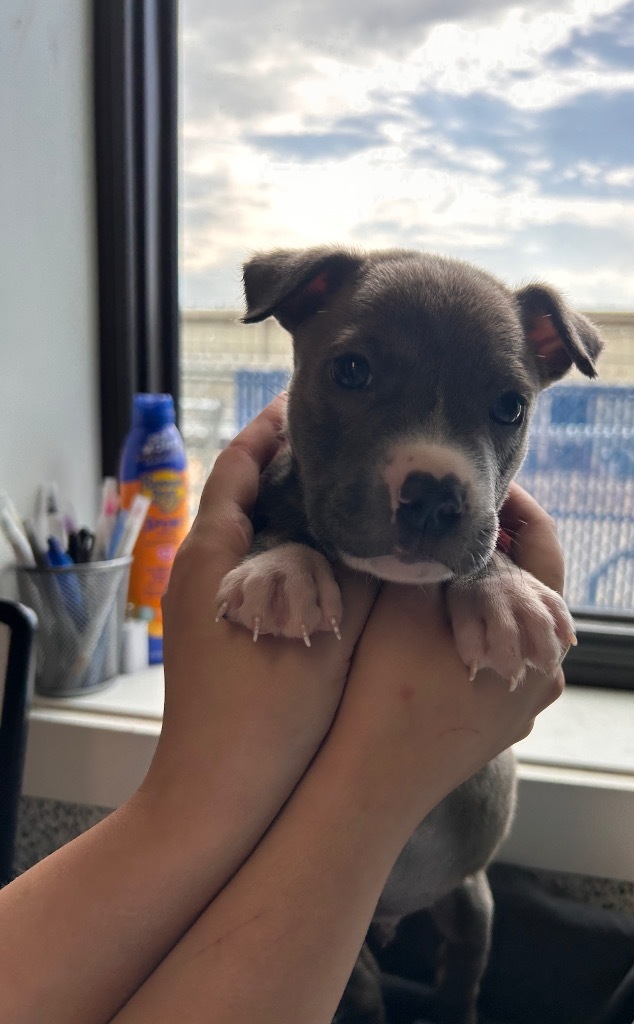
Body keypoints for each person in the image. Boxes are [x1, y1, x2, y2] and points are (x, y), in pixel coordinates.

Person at [0, 395, 566, 1024]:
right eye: (353, 373)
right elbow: (274, 529)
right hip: (309, 882)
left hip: (449, 863)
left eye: (504, 406)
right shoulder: (290, 492)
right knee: (360, 998)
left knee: (467, 946)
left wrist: (493, 578)